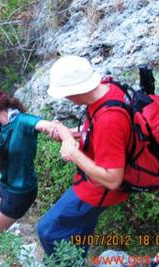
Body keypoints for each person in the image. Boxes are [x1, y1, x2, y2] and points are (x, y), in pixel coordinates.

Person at [36, 55, 132, 256]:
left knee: (48, 230)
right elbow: (110, 132)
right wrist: (76, 133)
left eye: (65, 93)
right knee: (76, 232)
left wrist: (74, 153)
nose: (65, 98)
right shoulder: (108, 88)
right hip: (93, 180)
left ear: (74, 91)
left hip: (99, 188)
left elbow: (113, 179)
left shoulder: (109, 119)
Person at [0, 84, 56, 243]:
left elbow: (47, 126)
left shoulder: (22, 122)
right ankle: (6, 245)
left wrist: (68, 136)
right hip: (4, 183)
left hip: (20, 191)